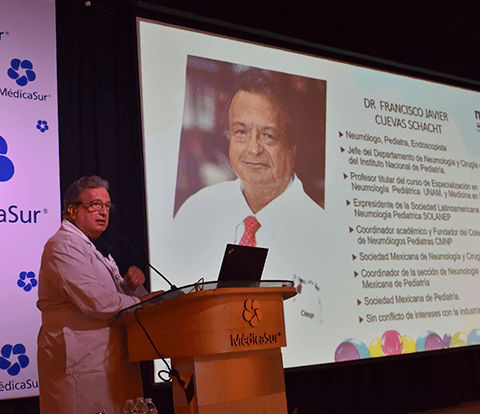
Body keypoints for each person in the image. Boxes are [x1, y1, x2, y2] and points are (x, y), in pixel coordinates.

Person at [171, 69, 330, 366]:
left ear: (292, 146)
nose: (253, 148)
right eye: (241, 132)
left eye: (268, 135)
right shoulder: (193, 213)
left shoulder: (325, 234)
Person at [37, 176, 160, 414]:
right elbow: (96, 301)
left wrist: (129, 287)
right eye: (94, 205)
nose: (103, 212)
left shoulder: (94, 247)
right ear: (72, 210)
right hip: (80, 361)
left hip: (105, 357)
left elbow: (109, 296)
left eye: (107, 205)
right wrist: (139, 302)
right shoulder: (62, 245)